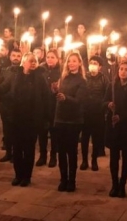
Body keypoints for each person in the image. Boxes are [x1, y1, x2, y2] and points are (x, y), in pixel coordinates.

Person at [0, 53, 52, 187]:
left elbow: (46, 98)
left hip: (32, 119)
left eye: (35, 61)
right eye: (30, 61)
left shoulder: (39, 77)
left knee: (28, 149)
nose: (33, 63)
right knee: (17, 148)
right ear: (23, 62)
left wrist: (46, 118)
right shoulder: (15, 75)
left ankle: (27, 176)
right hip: (16, 118)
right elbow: (3, 89)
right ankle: (18, 175)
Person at [105, 60, 127, 198]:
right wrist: (108, 104)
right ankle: (114, 184)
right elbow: (104, 101)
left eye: (126, 69)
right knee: (114, 157)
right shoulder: (112, 86)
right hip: (114, 127)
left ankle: (122, 184)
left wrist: (122, 117)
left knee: (126, 158)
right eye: (121, 69)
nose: (123, 72)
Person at [53, 52, 87, 192]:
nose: (71, 63)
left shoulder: (81, 81)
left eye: (74, 61)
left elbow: (79, 100)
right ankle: (63, 179)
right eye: (69, 61)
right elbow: (58, 97)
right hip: (60, 118)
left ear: (79, 63)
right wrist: (55, 90)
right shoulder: (63, 78)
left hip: (73, 120)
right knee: (61, 151)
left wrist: (66, 98)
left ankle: (72, 180)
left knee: (71, 151)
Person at [81, 55, 108, 172]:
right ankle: (84, 160)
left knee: (96, 138)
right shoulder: (84, 77)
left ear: (100, 67)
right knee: (85, 138)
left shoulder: (104, 79)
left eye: (95, 63)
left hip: (98, 112)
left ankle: (94, 160)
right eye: (91, 63)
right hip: (85, 112)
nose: (92, 65)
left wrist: (104, 108)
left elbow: (107, 94)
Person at [38, 49, 61, 167]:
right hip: (42, 106)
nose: (50, 59)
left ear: (57, 59)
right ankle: (42, 156)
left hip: (54, 106)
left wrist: (57, 89)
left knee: (54, 133)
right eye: (48, 57)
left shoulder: (61, 71)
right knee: (42, 132)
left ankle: (53, 156)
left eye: (52, 57)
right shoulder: (41, 70)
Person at [0, 48, 22, 163]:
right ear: (10, 56)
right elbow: (0, 85)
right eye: (14, 55)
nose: (16, 58)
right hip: (6, 104)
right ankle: (8, 152)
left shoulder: (23, 71)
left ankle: (16, 153)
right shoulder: (5, 70)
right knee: (7, 131)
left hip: (18, 105)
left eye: (18, 56)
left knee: (16, 131)